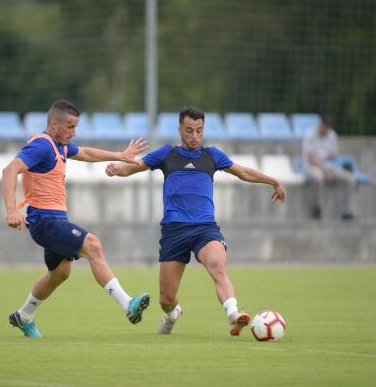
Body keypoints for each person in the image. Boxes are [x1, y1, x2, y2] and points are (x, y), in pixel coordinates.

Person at [105, 106, 287, 336]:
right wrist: (117, 168)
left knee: (218, 267)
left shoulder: (212, 156)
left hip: (205, 229)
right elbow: (136, 167)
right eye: (189, 130)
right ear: (180, 129)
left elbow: (242, 171)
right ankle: (172, 315)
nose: (194, 136)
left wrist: (273, 181)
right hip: (174, 231)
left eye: (199, 131)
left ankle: (233, 313)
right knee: (166, 299)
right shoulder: (168, 154)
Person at [1, 100, 151, 338]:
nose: (74, 132)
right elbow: (9, 170)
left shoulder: (60, 145)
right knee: (93, 244)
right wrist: (11, 209)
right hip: (44, 220)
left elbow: (86, 152)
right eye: (70, 126)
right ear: (54, 123)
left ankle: (23, 316)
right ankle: (128, 304)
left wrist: (120, 155)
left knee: (60, 274)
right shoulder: (42, 145)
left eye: (76, 127)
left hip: (54, 219)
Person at [302, 115, 356, 220]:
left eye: (329, 128)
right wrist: (325, 170)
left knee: (349, 178)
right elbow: (310, 160)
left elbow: (333, 155)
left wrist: (327, 167)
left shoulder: (332, 135)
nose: (327, 130)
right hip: (312, 167)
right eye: (325, 127)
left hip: (328, 166)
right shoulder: (309, 135)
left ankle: (347, 210)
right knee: (318, 178)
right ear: (321, 125)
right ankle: (316, 209)